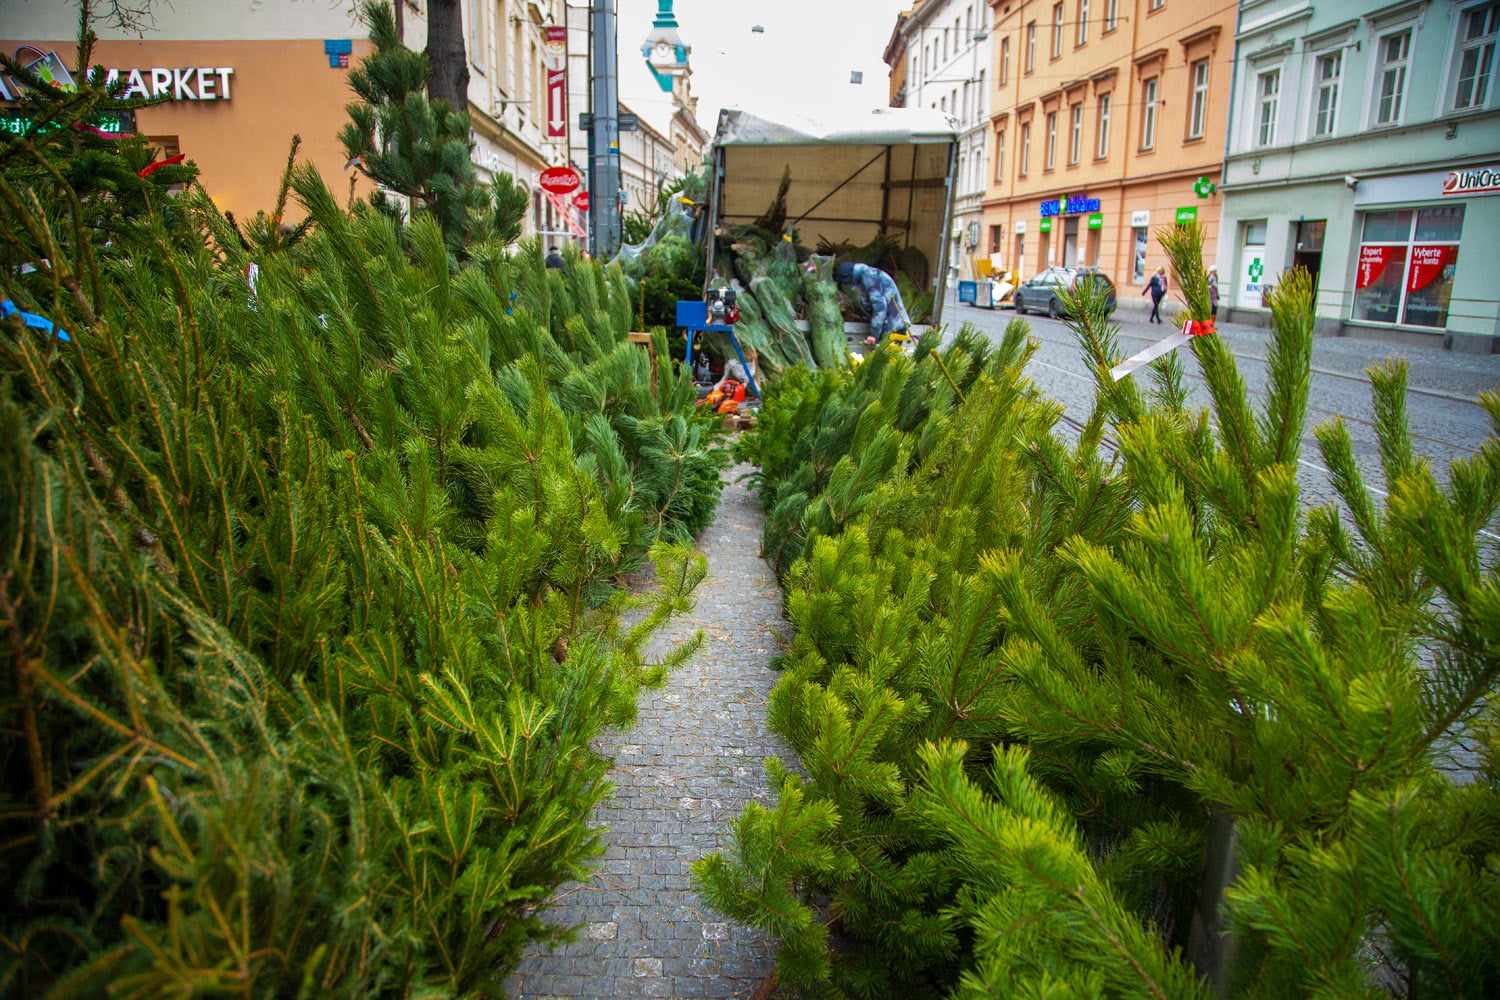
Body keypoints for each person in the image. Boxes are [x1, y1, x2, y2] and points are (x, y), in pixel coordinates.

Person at [834, 262, 913, 346]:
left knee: (887, 353)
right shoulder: (868, 274)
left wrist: (874, 335)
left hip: (893, 327)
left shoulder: (869, 277)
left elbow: (880, 308)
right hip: (892, 325)